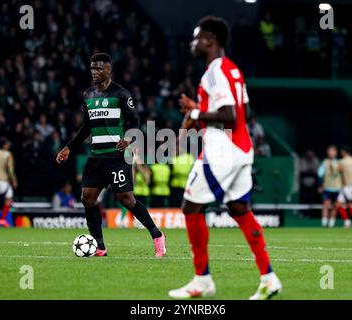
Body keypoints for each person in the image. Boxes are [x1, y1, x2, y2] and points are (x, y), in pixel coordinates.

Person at [169, 16, 282, 300]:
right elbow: (242, 111)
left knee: (191, 208)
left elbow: (229, 116)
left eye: (197, 38)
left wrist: (195, 114)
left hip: (222, 150)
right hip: (242, 150)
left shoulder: (214, 72)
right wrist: (200, 109)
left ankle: (202, 280)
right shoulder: (233, 70)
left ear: (210, 40)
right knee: (239, 209)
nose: (192, 43)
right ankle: (269, 278)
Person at [56, 53, 166, 257]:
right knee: (87, 198)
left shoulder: (122, 94)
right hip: (96, 155)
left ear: (109, 70)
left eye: (98, 68)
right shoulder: (88, 95)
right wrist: (68, 147)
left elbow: (135, 121)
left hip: (116, 155)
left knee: (126, 199)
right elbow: (86, 127)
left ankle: (157, 234)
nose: (94, 72)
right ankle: (99, 246)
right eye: (92, 68)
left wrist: (128, 139)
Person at [0, 138, 18, 228]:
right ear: (4, 145)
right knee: (9, 198)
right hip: (3, 179)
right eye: (8, 144)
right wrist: (13, 179)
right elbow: (10, 168)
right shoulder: (8, 154)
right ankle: (2, 219)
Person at [336, 146, 352, 228]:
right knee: (349, 204)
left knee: (339, 204)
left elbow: (338, 171)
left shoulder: (342, 161)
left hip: (348, 186)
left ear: (343, 152)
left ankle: (348, 222)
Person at [317, 145, 342, 228]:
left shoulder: (339, 162)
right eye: (330, 151)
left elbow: (340, 174)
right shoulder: (324, 162)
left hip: (337, 187)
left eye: (333, 151)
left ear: (336, 153)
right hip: (327, 187)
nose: (331, 153)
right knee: (326, 205)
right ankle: (324, 223)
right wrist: (321, 185)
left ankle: (331, 223)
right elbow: (320, 174)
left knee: (335, 206)